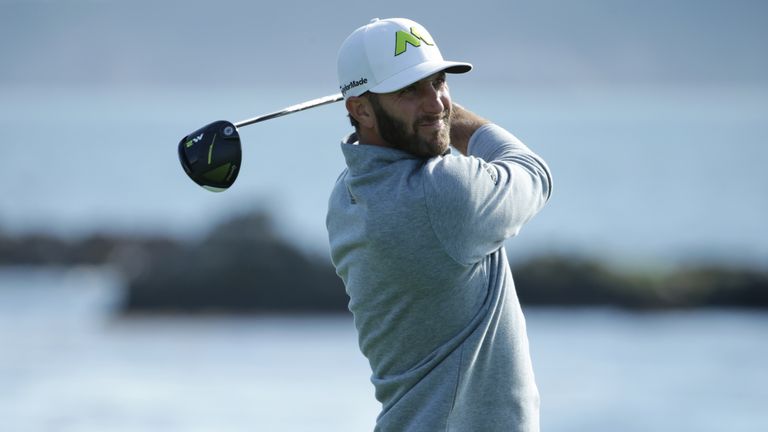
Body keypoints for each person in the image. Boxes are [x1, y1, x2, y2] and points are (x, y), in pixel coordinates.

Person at [326, 18, 553, 432]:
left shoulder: (345, 196)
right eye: (409, 90)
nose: (435, 103)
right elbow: (534, 174)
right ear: (359, 109)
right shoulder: (442, 195)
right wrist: (453, 117)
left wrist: (417, 113)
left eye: (439, 82)